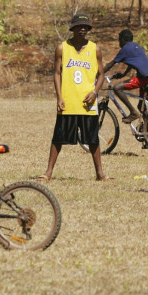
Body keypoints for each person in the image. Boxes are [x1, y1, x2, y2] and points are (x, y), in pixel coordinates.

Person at [39, 13, 109, 182]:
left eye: (85, 26)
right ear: (73, 28)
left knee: (93, 138)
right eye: (79, 26)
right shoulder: (62, 48)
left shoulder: (95, 49)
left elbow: (101, 74)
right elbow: (56, 73)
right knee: (58, 138)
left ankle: (100, 174)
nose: (82, 29)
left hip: (88, 103)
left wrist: (95, 92)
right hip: (68, 101)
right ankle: (48, 173)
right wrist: (59, 97)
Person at [103, 29, 148, 123]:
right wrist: (124, 74)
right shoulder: (137, 46)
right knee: (141, 107)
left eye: (119, 40)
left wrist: (99, 74)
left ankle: (133, 112)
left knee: (117, 88)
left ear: (122, 40)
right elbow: (132, 62)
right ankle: (147, 132)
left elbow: (111, 64)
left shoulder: (125, 49)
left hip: (143, 79)